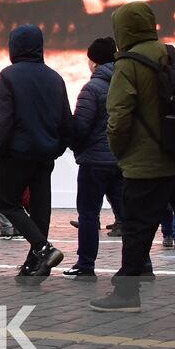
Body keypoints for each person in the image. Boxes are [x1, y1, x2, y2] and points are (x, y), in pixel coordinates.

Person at [91, 1, 175, 312]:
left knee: (137, 230)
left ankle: (127, 294)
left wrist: (121, 152)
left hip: (145, 166)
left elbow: (118, 117)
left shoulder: (127, 64)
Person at [0, 24, 71, 283]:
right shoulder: (55, 77)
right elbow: (65, 120)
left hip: (16, 152)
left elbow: (4, 118)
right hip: (45, 153)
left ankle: (44, 249)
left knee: (9, 204)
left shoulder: (8, 75)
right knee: (40, 209)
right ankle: (33, 267)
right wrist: (57, 148)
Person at [63, 37, 126, 280]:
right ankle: (142, 263)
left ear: (93, 61)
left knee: (89, 214)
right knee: (128, 215)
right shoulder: (125, 84)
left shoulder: (92, 88)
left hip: (94, 163)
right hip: (121, 160)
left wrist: (74, 144)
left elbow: (80, 127)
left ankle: (86, 265)